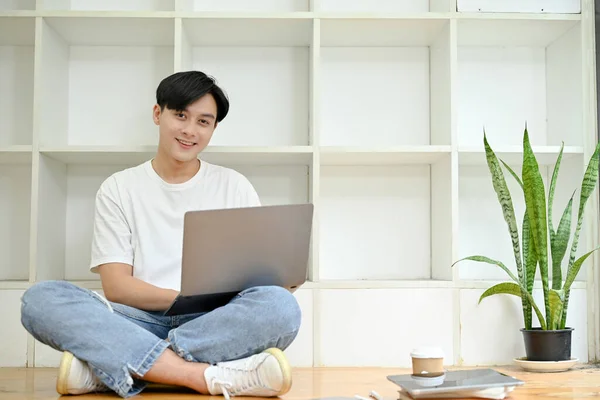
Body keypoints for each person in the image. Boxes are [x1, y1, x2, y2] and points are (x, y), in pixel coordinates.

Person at [19, 71, 302, 398]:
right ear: (158, 114)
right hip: (137, 319)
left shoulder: (234, 185)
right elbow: (117, 286)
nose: (189, 130)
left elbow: (254, 278)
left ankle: (116, 365)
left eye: (203, 122)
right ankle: (200, 376)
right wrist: (181, 299)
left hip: (214, 322)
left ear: (213, 129)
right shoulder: (119, 188)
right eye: (180, 115)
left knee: (280, 307)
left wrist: (273, 282)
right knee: (40, 300)